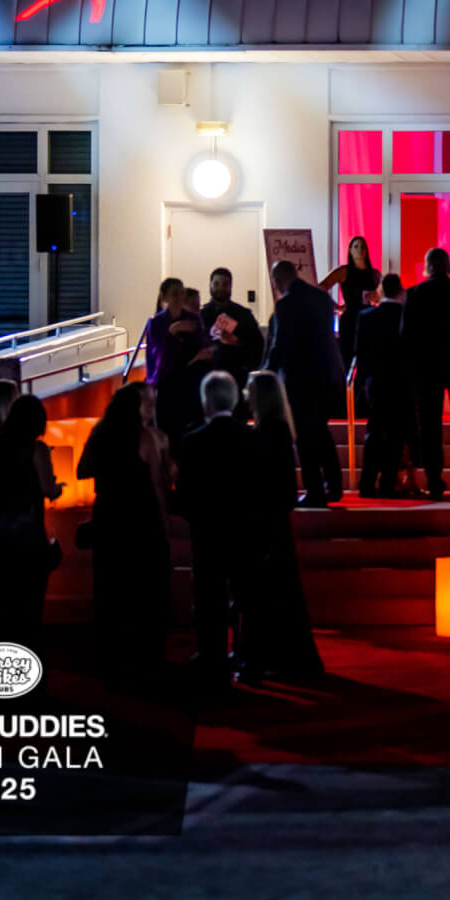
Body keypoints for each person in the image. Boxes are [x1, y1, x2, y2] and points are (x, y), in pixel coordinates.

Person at [174, 371, 265, 686]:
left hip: (208, 532)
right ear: (236, 400)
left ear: (206, 403)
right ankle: (252, 664)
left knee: (209, 601)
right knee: (249, 599)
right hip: (246, 530)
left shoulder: (193, 441)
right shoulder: (253, 438)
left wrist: (195, 517)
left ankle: (213, 663)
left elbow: (185, 493)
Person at [78, 383, 170, 682]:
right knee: (144, 592)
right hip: (141, 520)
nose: (152, 408)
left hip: (109, 517)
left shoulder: (101, 433)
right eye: (148, 402)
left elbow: (82, 469)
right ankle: (145, 660)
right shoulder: (148, 437)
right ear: (135, 406)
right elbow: (159, 483)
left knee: (111, 589)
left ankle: (111, 659)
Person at [240, 371, 322, 682]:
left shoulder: (268, 432)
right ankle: (283, 657)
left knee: (270, 593)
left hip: (267, 522)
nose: (245, 395)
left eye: (249, 390)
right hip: (274, 522)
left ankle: (276, 657)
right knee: (280, 592)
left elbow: (275, 482)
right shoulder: (276, 430)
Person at [265, 258, 345, 506]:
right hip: (328, 375)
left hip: (301, 379)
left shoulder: (286, 304)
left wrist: (266, 374)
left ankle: (315, 491)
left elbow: (279, 345)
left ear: (278, 280)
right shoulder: (321, 298)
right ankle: (334, 485)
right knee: (321, 431)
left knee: (304, 436)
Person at [399, 248, 450, 500]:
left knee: (430, 425)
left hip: (426, 367)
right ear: (448, 265)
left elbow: (406, 336)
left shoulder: (415, 293)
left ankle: (434, 479)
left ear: (428, 267)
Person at [0, 394, 56, 653]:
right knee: (31, 609)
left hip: (1, 537)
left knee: (6, 609)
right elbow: (48, 488)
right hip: (30, 536)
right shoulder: (37, 450)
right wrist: (57, 488)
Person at [355, 273, 413, 498]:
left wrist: (363, 382)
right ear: (400, 292)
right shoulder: (406, 316)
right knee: (396, 435)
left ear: (381, 291)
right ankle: (388, 483)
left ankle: (367, 483)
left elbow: (360, 354)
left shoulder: (366, 316)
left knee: (374, 432)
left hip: (375, 382)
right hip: (401, 382)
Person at [149, 277, 206, 450]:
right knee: (168, 431)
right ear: (165, 297)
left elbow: (202, 344)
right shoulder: (157, 323)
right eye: (175, 294)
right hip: (167, 383)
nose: (179, 298)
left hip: (190, 381)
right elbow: (157, 356)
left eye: (182, 293)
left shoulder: (192, 318)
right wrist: (172, 332)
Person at [321, 235, 381, 375]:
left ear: (366, 250)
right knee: (346, 357)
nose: (359, 249)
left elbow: (382, 295)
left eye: (362, 246)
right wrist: (335, 305)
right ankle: (344, 385)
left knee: (368, 357)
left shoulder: (374, 274)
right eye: (356, 246)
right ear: (350, 250)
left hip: (369, 317)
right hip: (350, 318)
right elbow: (322, 286)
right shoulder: (344, 271)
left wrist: (375, 297)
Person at [200, 267, 265, 378]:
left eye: (225, 284)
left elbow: (258, 345)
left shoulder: (244, 315)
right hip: (207, 374)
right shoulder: (200, 315)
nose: (220, 288)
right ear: (210, 285)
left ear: (231, 286)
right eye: (216, 284)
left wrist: (237, 342)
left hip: (237, 374)